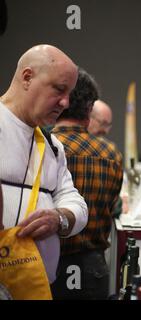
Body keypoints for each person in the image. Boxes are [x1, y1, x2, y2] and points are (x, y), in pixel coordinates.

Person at [0, 45, 88, 284]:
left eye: (69, 93)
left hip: (37, 287)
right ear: (27, 77)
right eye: (59, 89)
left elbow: (75, 202)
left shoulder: (52, 145)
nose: (66, 102)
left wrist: (59, 218)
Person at [51, 68, 124, 299]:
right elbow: (112, 207)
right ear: (90, 109)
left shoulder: (42, 146)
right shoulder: (111, 153)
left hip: (47, 263)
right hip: (93, 266)